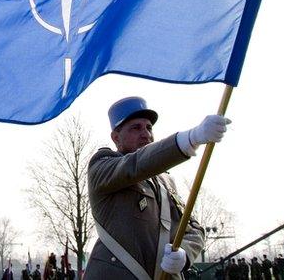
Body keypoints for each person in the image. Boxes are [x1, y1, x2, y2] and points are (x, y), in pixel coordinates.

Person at [85, 96, 229, 279]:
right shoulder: (102, 166)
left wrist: (184, 254)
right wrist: (191, 139)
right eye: (136, 128)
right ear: (116, 138)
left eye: (149, 127)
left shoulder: (165, 181)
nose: (146, 134)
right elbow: (136, 165)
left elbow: (194, 229)